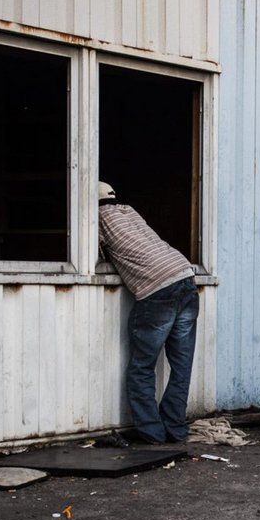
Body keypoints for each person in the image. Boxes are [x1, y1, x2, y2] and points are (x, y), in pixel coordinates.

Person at [98, 181, 199, 444]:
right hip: (185, 276)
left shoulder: (95, 219)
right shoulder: (129, 211)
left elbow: (92, 256)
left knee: (142, 367)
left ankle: (152, 434)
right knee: (181, 366)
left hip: (157, 290)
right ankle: (175, 430)